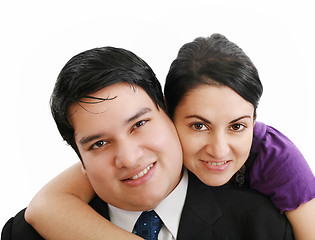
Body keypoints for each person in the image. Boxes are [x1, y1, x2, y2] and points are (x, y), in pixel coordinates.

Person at [2, 46, 294, 240]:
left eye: (139, 125)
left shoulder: (260, 227)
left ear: (167, 112)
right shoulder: (28, 235)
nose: (129, 158)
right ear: (80, 160)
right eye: (99, 144)